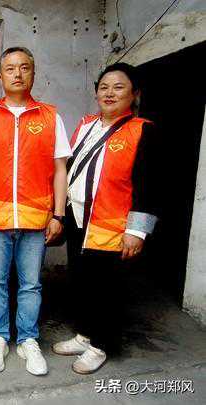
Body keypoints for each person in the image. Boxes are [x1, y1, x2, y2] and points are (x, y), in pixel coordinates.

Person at [0, 47, 71, 375]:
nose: (17, 74)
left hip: (36, 218)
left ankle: (28, 339)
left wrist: (58, 215)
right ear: (1, 75)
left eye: (24, 67)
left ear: (33, 74)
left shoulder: (50, 117)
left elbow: (60, 169)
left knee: (31, 284)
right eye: (10, 68)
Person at [52, 63, 160, 374]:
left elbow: (150, 185)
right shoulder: (86, 124)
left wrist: (137, 231)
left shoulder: (142, 130)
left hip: (112, 224)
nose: (109, 93)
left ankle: (101, 345)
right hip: (78, 218)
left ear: (134, 94)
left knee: (107, 289)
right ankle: (85, 335)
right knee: (82, 282)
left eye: (118, 87)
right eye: (104, 87)